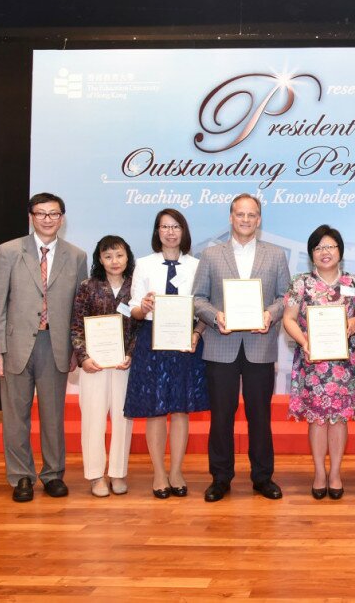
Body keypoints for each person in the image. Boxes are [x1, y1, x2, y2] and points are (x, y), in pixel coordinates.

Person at [0, 193, 87, 502]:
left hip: (55, 345)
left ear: (62, 218)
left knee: (53, 415)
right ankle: (21, 477)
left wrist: (75, 348)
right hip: (15, 345)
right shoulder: (8, 252)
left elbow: (78, 310)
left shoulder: (77, 256)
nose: (47, 219)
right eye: (41, 213)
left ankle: (53, 474)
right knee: (16, 415)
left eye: (54, 214)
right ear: (31, 216)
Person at [194, 193, 290, 502]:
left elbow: (285, 296)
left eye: (251, 215)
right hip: (220, 346)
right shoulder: (211, 255)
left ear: (259, 220)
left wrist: (270, 314)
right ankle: (220, 478)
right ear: (231, 217)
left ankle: (263, 477)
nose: (245, 220)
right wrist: (214, 316)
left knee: (259, 415)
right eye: (240, 214)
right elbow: (198, 299)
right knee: (221, 416)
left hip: (260, 346)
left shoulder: (275, 255)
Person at [124, 209, 209, 499]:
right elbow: (133, 307)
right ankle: (159, 472)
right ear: (157, 231)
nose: (170, 232)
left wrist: (197, 333)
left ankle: (176, 471)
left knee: (181, 408)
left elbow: (204, 306)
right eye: (164, 227)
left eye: (175, 227)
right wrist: (143, 307)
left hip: (186, 341)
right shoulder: (144, 264)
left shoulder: (198, 265)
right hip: (153, 341)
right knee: (156, 408)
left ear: (184, 231)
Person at [282, 225, 355, 499]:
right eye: (319, 248)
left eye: (330, 246)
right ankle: (320, 472)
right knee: (317, 420)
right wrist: (305, 341)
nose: (325, 252)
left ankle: (335, 473)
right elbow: (288, 318)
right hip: (313, 361)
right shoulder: (300, 282)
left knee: (340, 419)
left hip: (344, 363)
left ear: (340, 250)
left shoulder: (354, 282)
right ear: (311, 254)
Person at [70, 235, 138, 496]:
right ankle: (96, 476)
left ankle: (118, 474)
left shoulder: (135, 287)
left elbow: (140, 327)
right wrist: (83, 357)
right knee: (93, 420)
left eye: (119, 255)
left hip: (124, 364)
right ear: (100, 259)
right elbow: (76, 325)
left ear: (127, 257)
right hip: (94, 365)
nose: (114, 261)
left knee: (123, 420)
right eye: (108, 256)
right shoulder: (88, 286)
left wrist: (131, 353)